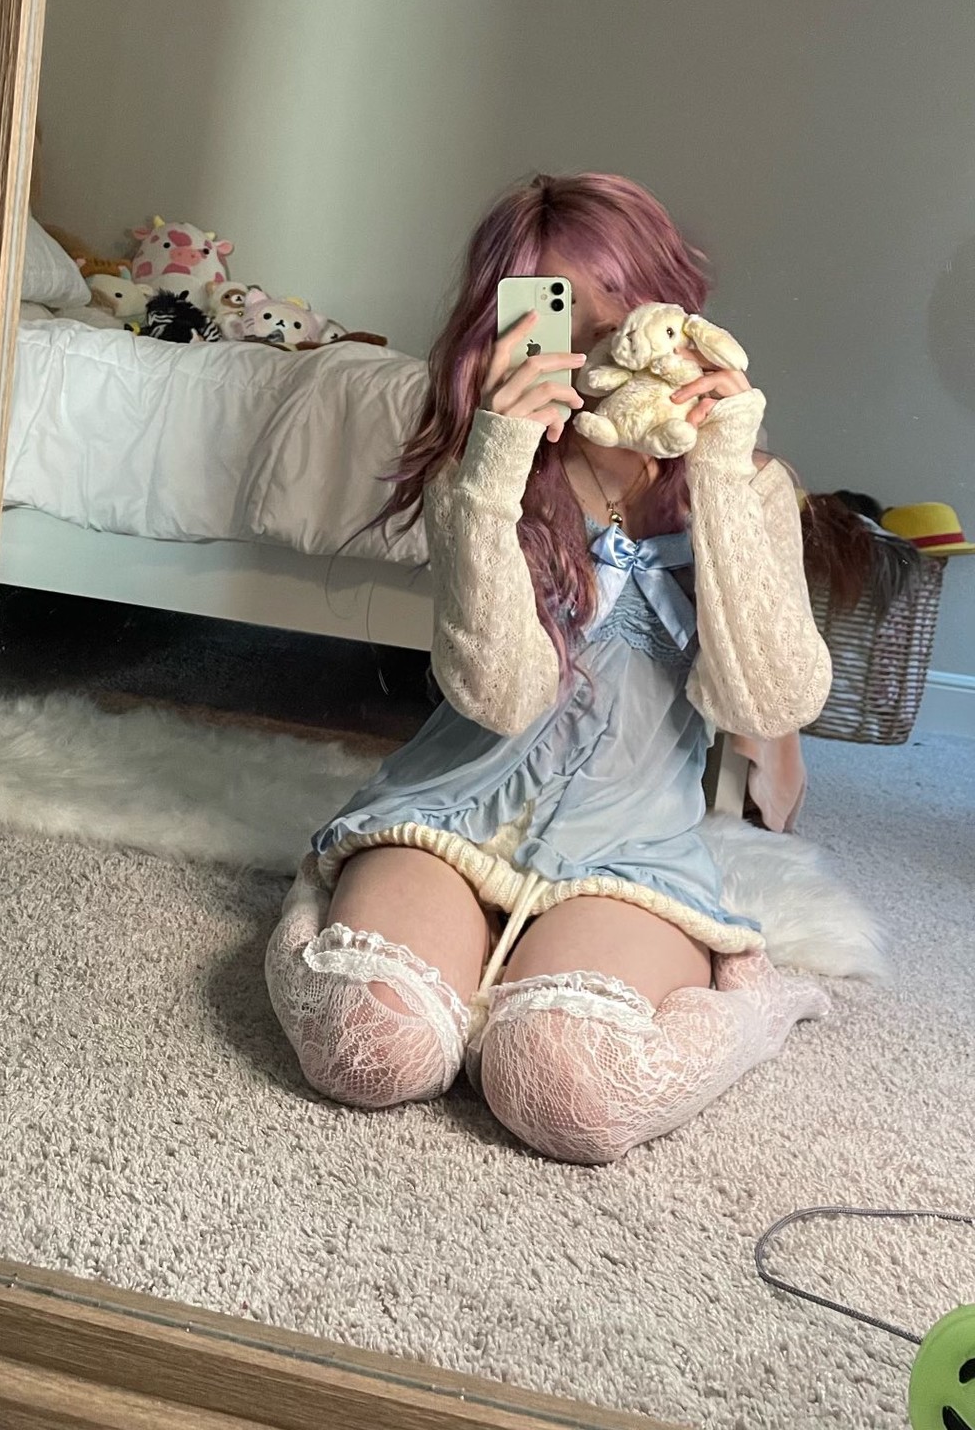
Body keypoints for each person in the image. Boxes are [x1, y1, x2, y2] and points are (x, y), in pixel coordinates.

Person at [264, 172, 836, 1165]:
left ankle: (756, 1000)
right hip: (450, 809)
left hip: (631, 844)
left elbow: (769, 700)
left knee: (569, 1092)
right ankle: (330, 908)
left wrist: (719, 476)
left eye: (626, 295)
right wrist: (493, 472)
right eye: (562, 303)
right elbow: (502, 697)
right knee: (371, 1048)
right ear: (510, 324)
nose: (603, 333)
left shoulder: (748, 484)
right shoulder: (480, 473)